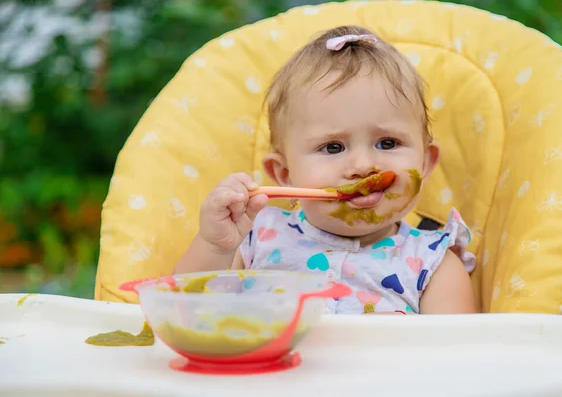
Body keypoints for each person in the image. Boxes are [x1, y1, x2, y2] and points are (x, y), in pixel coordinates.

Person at [175, 25, 476, 315]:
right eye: (333, 147)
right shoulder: (255, 239)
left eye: (387, 143)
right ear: (284, 174)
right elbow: (183, 314)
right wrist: (217, 245)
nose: (362, 167)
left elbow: (456, 356)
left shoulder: (434, 263)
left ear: (425, 162)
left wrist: (395, 338)